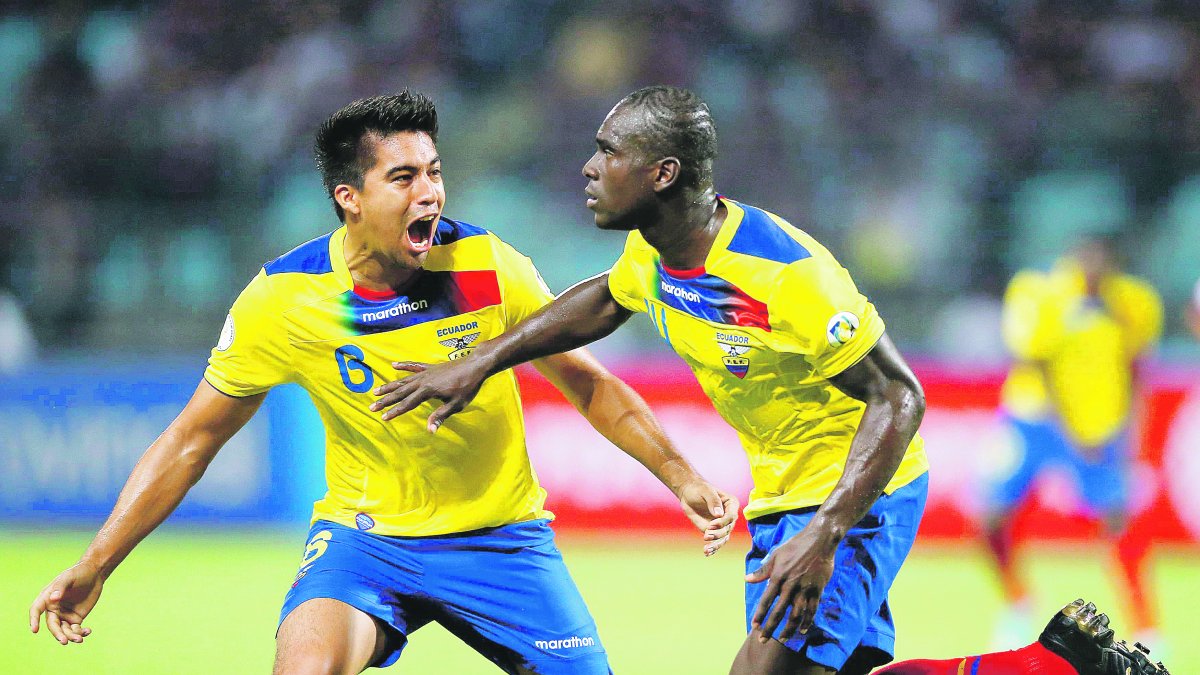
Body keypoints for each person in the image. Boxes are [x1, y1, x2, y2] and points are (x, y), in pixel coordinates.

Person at [369, 86, 1170, 675]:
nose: (589, 166)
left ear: (661, 172)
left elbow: (901, 397)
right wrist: (476, 363)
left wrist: (825, 532)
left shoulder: (783, 274)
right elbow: (602, 302)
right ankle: (1057, 660)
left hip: (848, 498)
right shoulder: (659, 248)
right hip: (789, 498)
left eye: (610, 151)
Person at [28, 91, 740, 674]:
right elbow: (191, 441)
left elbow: (590, 384)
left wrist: (679, 474)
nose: (429, 192)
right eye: (403, 178)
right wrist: (97, 563)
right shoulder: (285, 299)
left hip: (502, 540)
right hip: (366, 543)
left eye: (433, 171)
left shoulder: (486, 264)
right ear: (350, 197)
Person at [985, 237, 1164, 650]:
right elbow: (1035, 360)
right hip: (1033, 419)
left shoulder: (1133, 301)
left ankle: (1147, 629)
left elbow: (1136, 366)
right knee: (991, 517)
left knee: (1118, 523)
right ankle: (1019, 603)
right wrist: (1070, 431)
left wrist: (1133, 429)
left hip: (1099, 427)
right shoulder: (1038, 292)